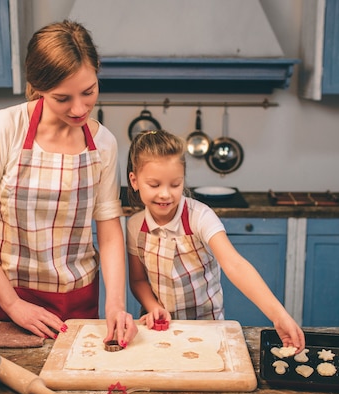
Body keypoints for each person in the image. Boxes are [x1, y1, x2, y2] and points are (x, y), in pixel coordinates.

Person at [0, 20, 137, 347]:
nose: (79, 108)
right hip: (4, 295)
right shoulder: (5, 128)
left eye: (89, 92)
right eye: (62, 98)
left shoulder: (103, 143)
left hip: (77, 296)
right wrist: (12, 304)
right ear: (38, 86)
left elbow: (109, 231)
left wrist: (116, 304)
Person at [126, 129, 304, 350]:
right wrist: (152, 307)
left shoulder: (199, 216)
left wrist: (278, 315)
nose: (165, 194)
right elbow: (138, 281)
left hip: (207, 328)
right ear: (134, 181)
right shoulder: (134, 226)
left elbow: (235, 265)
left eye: (175, 184)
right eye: (154, 185)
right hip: (159, 329)